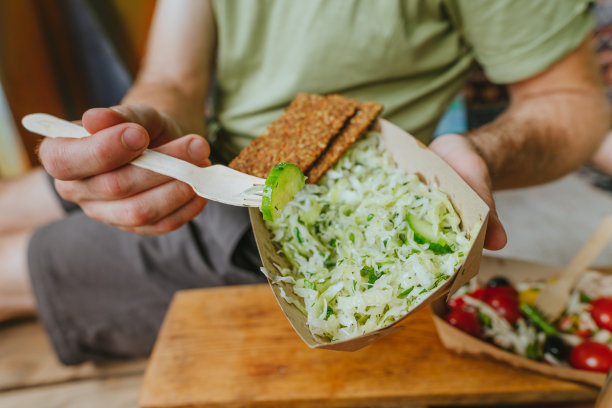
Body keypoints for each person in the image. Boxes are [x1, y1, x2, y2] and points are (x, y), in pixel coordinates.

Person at [1, 0, 609, 365]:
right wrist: (151, 125)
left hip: (321, 223)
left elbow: (574, 101)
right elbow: (172, 79)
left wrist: (478, 152)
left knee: (13, 268)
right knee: (27, 196)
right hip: (209, 162)